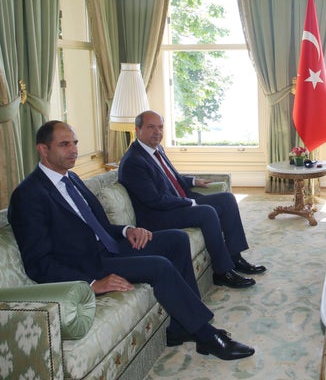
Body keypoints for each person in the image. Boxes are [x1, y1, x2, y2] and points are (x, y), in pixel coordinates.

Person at [8, 121, 254, 360]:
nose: (73, 150)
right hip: (89, 264)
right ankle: (205, 335)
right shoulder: (29, 195)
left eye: (74, 143)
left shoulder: (71, 179)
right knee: (159, 265)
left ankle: (180, 327)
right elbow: (38, 263)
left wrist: (127, 230)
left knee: (176, 239)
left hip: (110, 246)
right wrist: (91, 283)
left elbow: (98, 226)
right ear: (43, 149)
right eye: (64, 145)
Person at [118, 110, 265, 290]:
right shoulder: (134, 161)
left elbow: (168, 175)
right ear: (137, 130)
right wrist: (189, 202)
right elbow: (154, 200)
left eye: (160, 127)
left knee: (227, 199)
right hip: (158, 215)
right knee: (207, 212)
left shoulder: (156, 149)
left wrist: (193, 181)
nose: (157, 132)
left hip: (176, 201)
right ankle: (222, 272)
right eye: (151, 127)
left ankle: (235, 258)